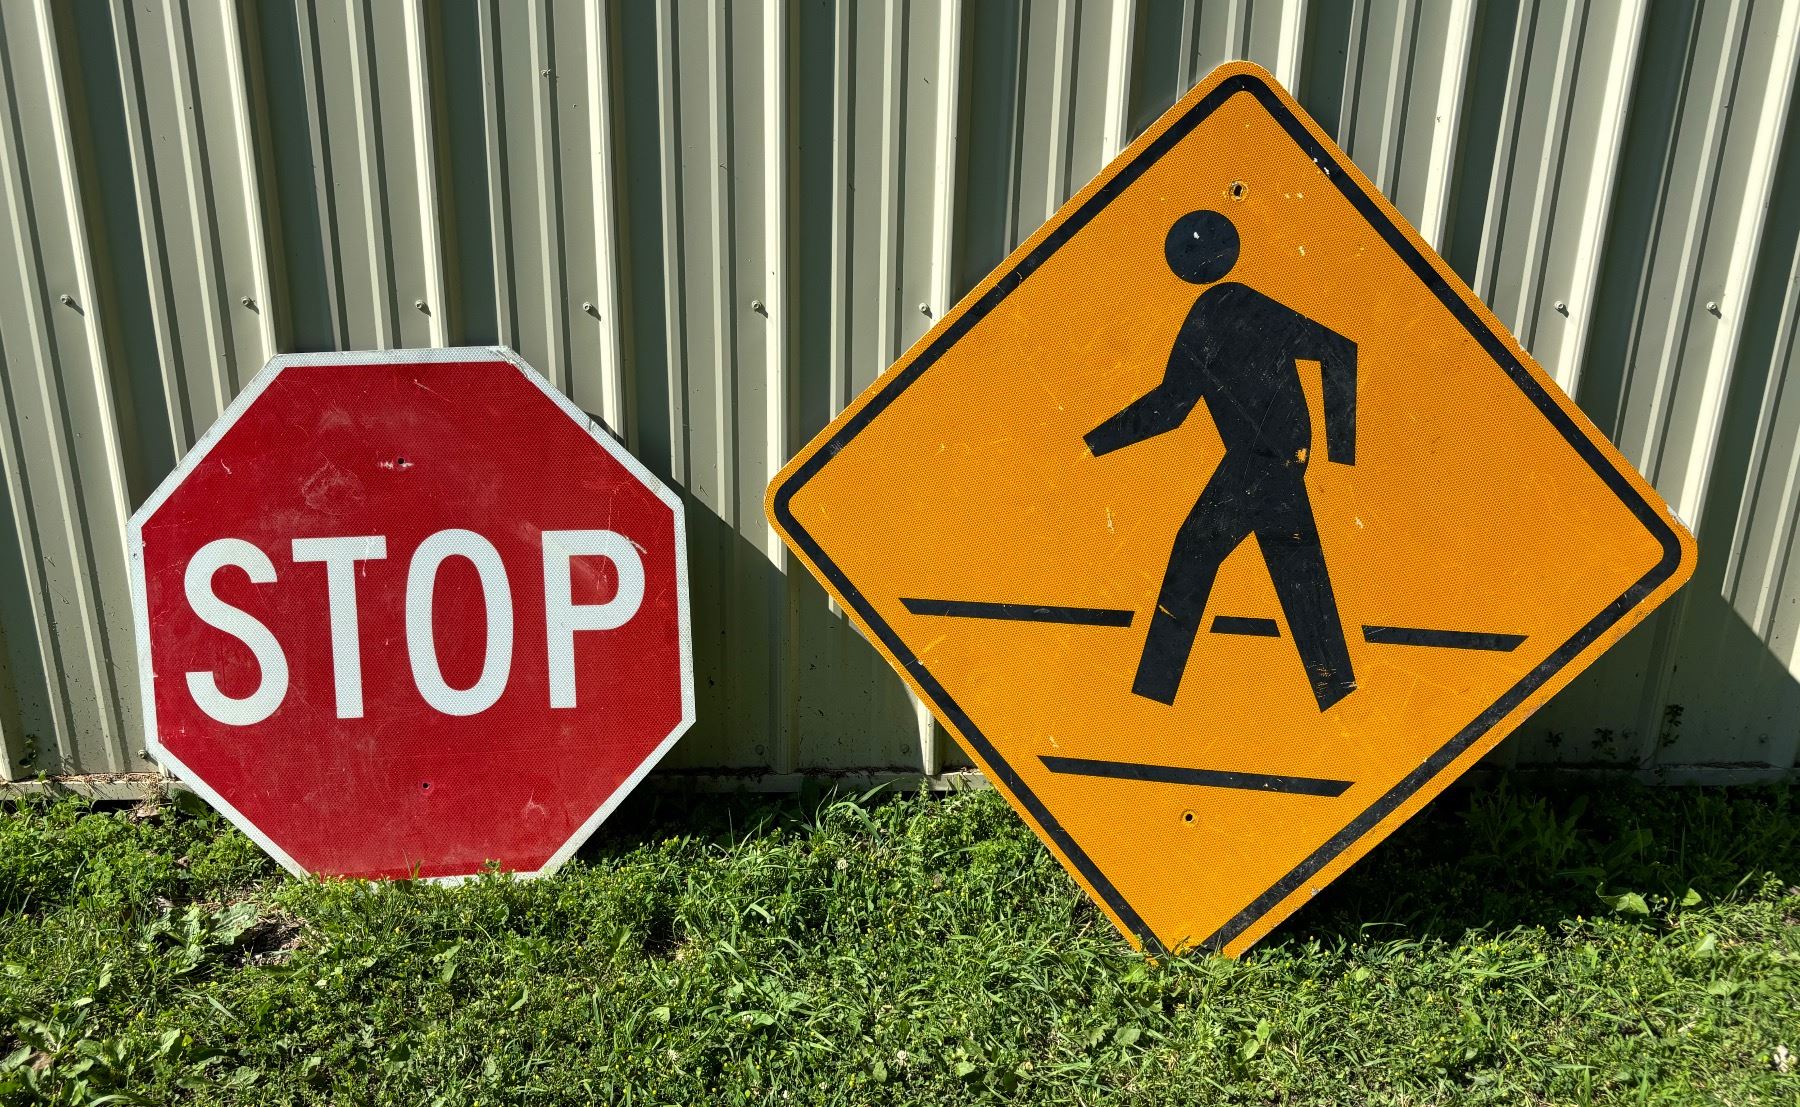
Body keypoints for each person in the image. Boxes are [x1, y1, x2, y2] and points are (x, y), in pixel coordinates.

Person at [1086, 209, 1358, 711]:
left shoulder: (1227, 306)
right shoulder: (1217, 310)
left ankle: (1150, 698)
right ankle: (1338, 692)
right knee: (1295, 566)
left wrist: (1344, 454)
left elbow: (1339, 350)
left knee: (1194, 552)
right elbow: (1171, 407)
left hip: (1264, 460)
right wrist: (1095, 443)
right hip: (1273, 458)